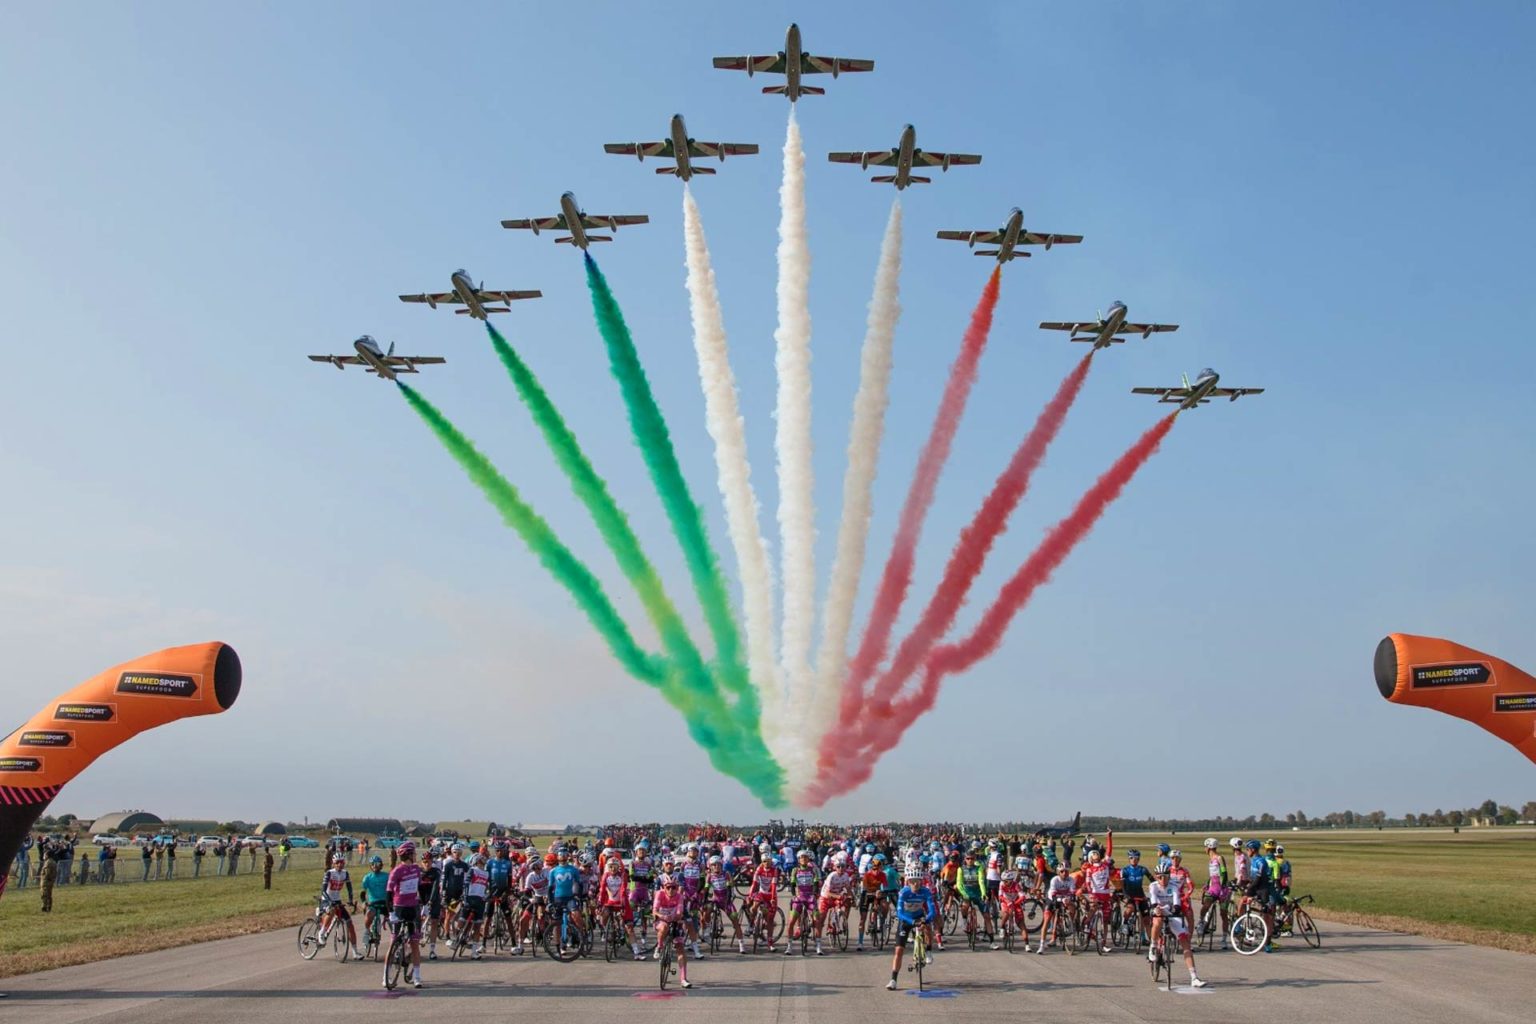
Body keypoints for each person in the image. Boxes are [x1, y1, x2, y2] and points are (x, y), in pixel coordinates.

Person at [1148, 865, 1207, 988]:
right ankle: (1153, 946)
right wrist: (1156, 909)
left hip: (1171, 913)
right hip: (1158, 911)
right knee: (1157, 922)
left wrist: (1175, 909)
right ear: (1156, 877)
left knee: (1185, 943)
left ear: (1169, 876)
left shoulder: (1174, 886)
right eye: (1160, 877)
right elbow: (1153, 902)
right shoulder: (1153, 886)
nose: (1163, 880)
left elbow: (1176, 904)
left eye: (1165, 877)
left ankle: (1194, 977)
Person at [888, 867, 937, 990]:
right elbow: (899, 913)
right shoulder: (903, 892)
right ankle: (893, 980)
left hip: (919, 916)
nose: (915, 884)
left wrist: (927, 919)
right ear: (908, 882)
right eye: (912, 881)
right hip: (906, 920)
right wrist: (912, 921)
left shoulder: (925, 892)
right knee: (899, 950)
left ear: (921, 881)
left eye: (918, 881)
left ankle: (929, 951)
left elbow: (932, 910)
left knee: (927, 927)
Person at [385, 842, 425, 988]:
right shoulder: (396, 871)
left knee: (415, 943)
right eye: (413, 853)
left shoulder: (416, 869)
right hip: (399, 907)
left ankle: (417, 976)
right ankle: (387, 974)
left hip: (413, 908)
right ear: (408, 855)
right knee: (394, 940)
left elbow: (420, 888)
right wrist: (390, 913)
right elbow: (388, 894)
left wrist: (425, 905)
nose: (415, 856)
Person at [318, 853, 365, 959]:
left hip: (337, 900)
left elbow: (349, 888)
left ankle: (355, 952)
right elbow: (323, 890)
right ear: (333, 863)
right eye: (337, 863)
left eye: (341, 862)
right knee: (332, 910)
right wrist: (329, 901)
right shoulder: (329, 873)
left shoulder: (345, 873)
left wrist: (350, 900)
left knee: (350, 925)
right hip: (326, 899)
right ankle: (322, 932)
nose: (339, 865)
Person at [652, 875, 692, 988]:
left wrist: (674, 917)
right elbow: (654, 910)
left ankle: (683, 979)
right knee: (664, 927)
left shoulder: (679, 896)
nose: (671, 890)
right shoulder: (659, 894)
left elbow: (679, 912)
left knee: (680, 948)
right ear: (664, 887)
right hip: (661, 920)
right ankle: (659, 947)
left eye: (673, 887)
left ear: (677, 888)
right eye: (668, 887)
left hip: (675, 921)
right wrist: (663, 916)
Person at [703, 854, 744, 955]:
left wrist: (728, 902)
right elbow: (706, 889)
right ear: (710, 866)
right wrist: (704, 901)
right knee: (706, 909)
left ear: (721, 865)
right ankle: (708, 928)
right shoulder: (709, 876)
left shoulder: (726, 874)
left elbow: (730, 889)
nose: (716, 867)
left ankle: (741, 944)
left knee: (735, 920)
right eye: (714, 865)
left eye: (718, 865)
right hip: (715, 899)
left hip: (726, 899)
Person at [785, 850, 819, 956]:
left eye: (805, 857)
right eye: (801, 857)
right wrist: (794, 894)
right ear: (799, 860)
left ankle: (818, 945)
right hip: (799, 898)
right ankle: (789, 946)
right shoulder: (795, 870)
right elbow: (792, 884)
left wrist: (815, 893)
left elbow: (816, 883)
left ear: (808, 859)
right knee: (791, 922)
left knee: (817, 921)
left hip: (810, 898)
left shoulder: (813, 870)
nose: (803, 859)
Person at [1200, 838, 1232, 949]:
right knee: (1206, 904)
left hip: (1222, 888)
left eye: (1205, 847)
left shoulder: (1219, 858)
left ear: (1208, 847)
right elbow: (1213, 875)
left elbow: (1224, 873)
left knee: (1223, 914)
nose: (1205, 849)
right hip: (1213, 888)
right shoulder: (1210, 860)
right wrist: (1207, 883)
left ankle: (1224, 939)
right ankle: (1201, 922)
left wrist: (1223, 888)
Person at [1038, 862, 1076, 953]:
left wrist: (1069, 899)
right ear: (1058, 872)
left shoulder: (1071, 879)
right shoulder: (1055, 880)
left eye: (1066, 871)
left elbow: (1072, 893)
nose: (1064, 873)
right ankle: (1042, 945)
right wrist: (1062, 900)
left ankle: (1069, 923)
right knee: (1047, 921)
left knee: (1073, 906)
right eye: (1062, 871)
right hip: (1052, 900)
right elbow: (1054, 895)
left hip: (1064, 898)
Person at [39, 847, 57, 912]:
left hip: (46, 881)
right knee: (49, 894)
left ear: (47, 855)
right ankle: (49, 907)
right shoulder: (53, 862)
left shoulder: (48, 862)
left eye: (45, 855)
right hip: (51, 881)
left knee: (44, 894)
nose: (44, 856)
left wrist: (45, 878)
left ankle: (44, 907)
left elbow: (47, 872)